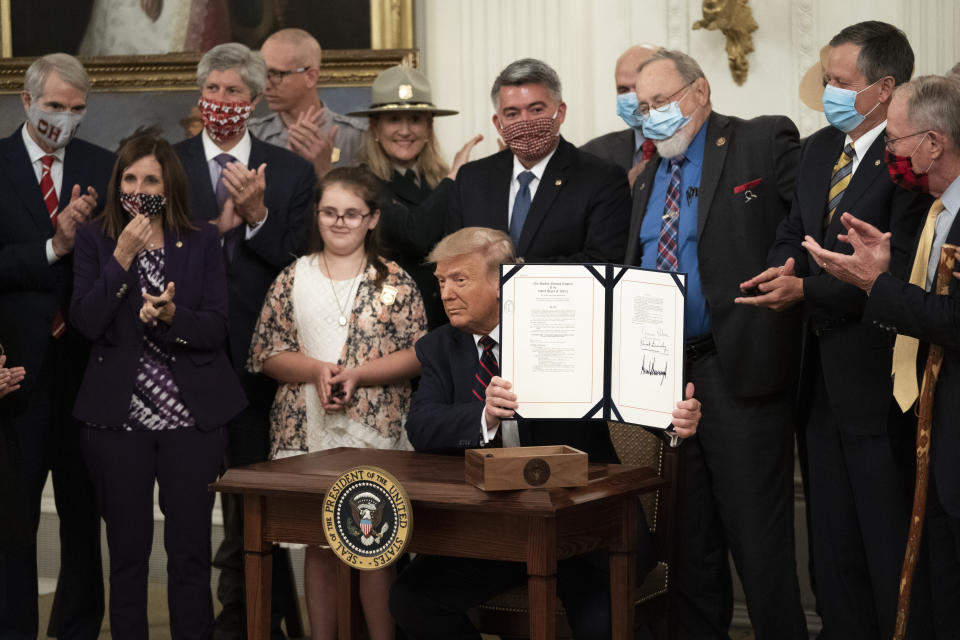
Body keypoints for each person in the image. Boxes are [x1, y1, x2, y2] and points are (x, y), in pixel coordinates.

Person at [389, 226, 701, 640]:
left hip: (585, 529)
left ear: (502, 282)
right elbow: (421, 428)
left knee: (602, 626)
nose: (446, 293)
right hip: (496, 533)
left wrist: (675, 421)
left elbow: (645, 406)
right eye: (441, 281)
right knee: (411, 599)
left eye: (459, 280)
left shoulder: (568, 331)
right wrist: (484, 416)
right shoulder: (439, 347)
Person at [736, 21, 933, 639]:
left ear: (883, 87)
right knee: (831, 545)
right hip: (812, 377)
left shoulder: (906, 157)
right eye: (826, 79)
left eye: (841, 82)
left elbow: (899, 267)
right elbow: (794, 229)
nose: (829, 91)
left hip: (878, 379)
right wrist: (781, 271)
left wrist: (808, 288)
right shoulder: (822, 147)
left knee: (883, 540)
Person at [625, 48, 807, 639]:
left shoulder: (760, 140)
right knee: (688, 546)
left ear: (700, 92)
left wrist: (792, 264)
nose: (653, 115)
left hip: (740, 371)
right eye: (644, 106)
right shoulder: (648, 174)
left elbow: (806, 222)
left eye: (663, 101)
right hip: (666, 381)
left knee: (759, 544)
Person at [70, 131, 246, 639]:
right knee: (127, 554)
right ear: (116, 183)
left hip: (190, 420)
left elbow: (216, 326)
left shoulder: (201, 238)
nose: (139, 187)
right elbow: (86, 320)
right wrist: (122, 257)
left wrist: (173, 315)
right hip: (116, 419)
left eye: (150, 178)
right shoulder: (95, 239)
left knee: (190, 552)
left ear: (169, 185)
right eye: (129, 177)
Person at [802, 73, 960, 639]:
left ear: (934, 144)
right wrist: (887, 271)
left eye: (894, 140)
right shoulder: (941, 211)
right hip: (932, 426)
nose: (887, 152)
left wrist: (876, 285)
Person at [173, 42, 317, 639]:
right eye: (214, 90)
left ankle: (259, 618)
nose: (223, 101)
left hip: (262, 366)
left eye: (236, 92)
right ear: (199, 95)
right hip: (180, 359)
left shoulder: (291, 172)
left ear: (255, 100)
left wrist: (258, 218)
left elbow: (299, 264)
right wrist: (217, 228)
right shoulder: (166, 164)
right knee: (185, 507)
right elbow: (147, 258)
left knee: (258, 503)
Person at [248, 166, 426, 640]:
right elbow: (267, 351)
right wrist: (316, 370)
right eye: (330, 212)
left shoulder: (395, 280)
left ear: (372, 218)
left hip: (375, 431)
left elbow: (418, 352)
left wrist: (357, 375)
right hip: (304, 431)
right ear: (317, 215)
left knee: (374, 548)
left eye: (352, 214)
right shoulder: (293, 277)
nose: (340, 222)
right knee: (319, 546)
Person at [0, 52, 114, 640]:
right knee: (12, 525)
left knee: (81, 518)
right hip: (13, 376)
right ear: (26, 101)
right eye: (53, 107)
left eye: (76, 109)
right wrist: (54, 246)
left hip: (85, 374)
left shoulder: (104, 166)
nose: (64, 120)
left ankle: (76, 629)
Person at [446, 58, 631, 265]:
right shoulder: (471, 179)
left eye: (536, 110)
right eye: (512, 113)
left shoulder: (601, 179)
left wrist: (523, 275)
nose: (525, 121)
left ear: (560, 113)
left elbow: (604, 262)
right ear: (499, 124)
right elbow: (454, 259)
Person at [349, 64, 482, 329]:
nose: (405, 130)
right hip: (390, 320)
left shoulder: (439, 180)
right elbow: (416, 235)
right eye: (394, 119)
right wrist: (454, 177)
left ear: (429, 126)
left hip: (445, 319)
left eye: (415, 119)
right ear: (375, 127)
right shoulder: (362, 182)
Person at [249, 28, 367, 179]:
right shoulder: (252, 135)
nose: (266, 85)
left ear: (310, 77)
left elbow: (367, 199)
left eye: (276, 74)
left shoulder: (355, 138)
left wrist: (325, 169)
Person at [581, 44, 659, 187]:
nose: (631, 97)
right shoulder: (592, 155)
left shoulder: (694, 147)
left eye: (638, 86)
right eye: (623, 89)